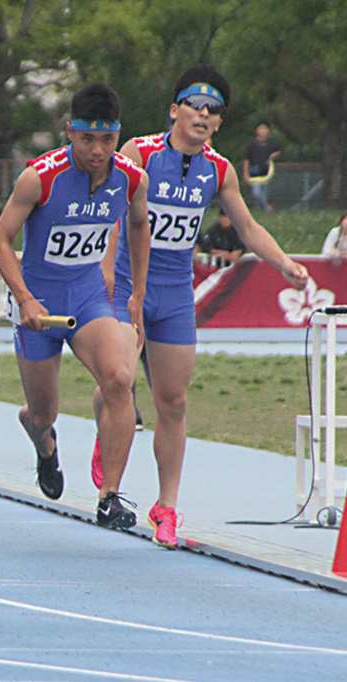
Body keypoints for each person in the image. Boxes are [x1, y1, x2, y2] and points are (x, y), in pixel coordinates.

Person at [100, 66, 308, 548]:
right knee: (118, 381)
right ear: (175, 110)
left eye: (213, 110)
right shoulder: (140, 152)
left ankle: (166, 507)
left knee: (173, 402)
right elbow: (112, 213)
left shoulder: (219, 169)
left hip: (173, 292)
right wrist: (108, 270)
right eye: (195, 104)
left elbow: (249, 228)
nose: (203, 114)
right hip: (129, 284)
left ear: (218, 124)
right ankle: (109, 444)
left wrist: (283, 263)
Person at [0, 83, 151, 530]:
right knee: (45, 413)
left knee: (120, 379)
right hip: (39, 307)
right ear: (69, 132)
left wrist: (136, 294)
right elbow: (0, 239)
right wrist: (24, 298)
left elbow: (140, 226)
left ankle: (109, 497)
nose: (97, 151)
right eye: (87, 139)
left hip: (87, 296)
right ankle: (42, 440)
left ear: (118, 134)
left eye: (107, 139)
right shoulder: (39, 177)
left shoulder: (132, 178)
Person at [241, 121, 281, 212]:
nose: (262, 131)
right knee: (257, 193)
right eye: (260, 129)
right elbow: (246, 158)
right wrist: (245, 172)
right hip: (254, 172)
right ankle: (267, 208)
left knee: (264, 193)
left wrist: (272, 156)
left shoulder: (271, 143)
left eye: (265, 129)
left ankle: (263, 210)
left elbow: (280, 150)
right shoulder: (251, 144)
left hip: (266, 172)